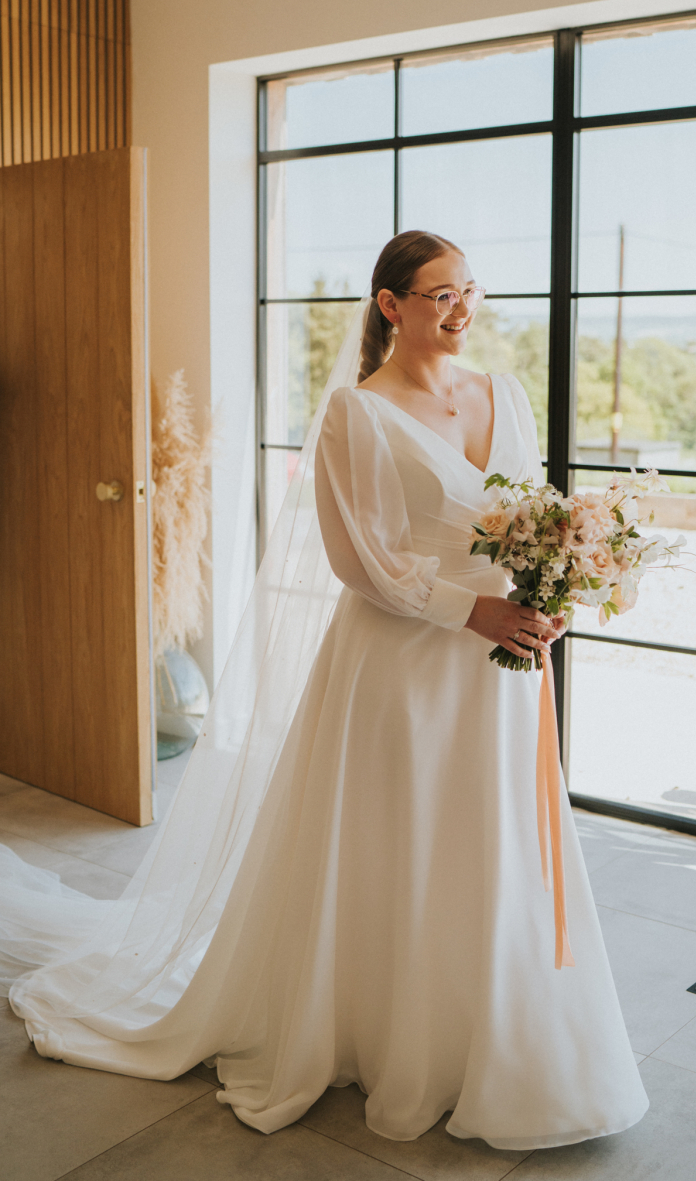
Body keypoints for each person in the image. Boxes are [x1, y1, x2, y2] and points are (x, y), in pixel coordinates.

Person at [2, 230, 648, 1151]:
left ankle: (497, 1036)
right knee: (402, 836)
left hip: (499, 666)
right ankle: (389, 1033)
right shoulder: (359, 412)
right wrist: (476, 615)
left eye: (470, 291)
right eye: (440, 295)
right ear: (390, 306)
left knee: (494, 837)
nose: (462, 310)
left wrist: (552, 593)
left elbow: (532, 517)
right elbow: (364, 564)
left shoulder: (505, 394)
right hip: (406, 666)